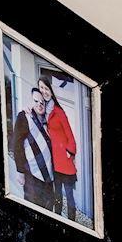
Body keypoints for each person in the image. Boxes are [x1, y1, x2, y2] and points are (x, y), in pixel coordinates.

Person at [8, 81, 56, 213]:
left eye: (42, 102)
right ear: (31, 101)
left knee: (48, 206)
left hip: (48, 175)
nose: (39, 104)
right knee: (32, 206)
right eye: (36, 101)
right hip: (31, 174)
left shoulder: (48, 119)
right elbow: (17, 145)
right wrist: (20, 172)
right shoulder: (24, 116)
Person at [37, 78, 81, 222]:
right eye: (41, 88)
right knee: (57, 195)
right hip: (54, 162)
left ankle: (72, 222)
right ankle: (57, 219)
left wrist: (69, 153)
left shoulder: (58, 111)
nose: (44, 91)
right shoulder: (43, 110)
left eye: (46, 88)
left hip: (64, 162)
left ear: (51, 90)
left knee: (69, 196)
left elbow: (70, 137)